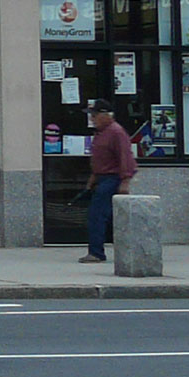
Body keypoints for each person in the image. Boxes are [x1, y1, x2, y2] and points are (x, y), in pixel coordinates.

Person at [80, 99, 138, 264]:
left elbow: (125, 157)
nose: (92, 118)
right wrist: (93, 177)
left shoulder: (116, 132)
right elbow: (99, 159)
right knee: (105, 216)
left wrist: (125, 181)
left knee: (97, 215)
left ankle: (96, 253)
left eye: (95, 115)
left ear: (106, 115)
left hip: (113, 179)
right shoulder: (101, 133)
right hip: (101, 178)